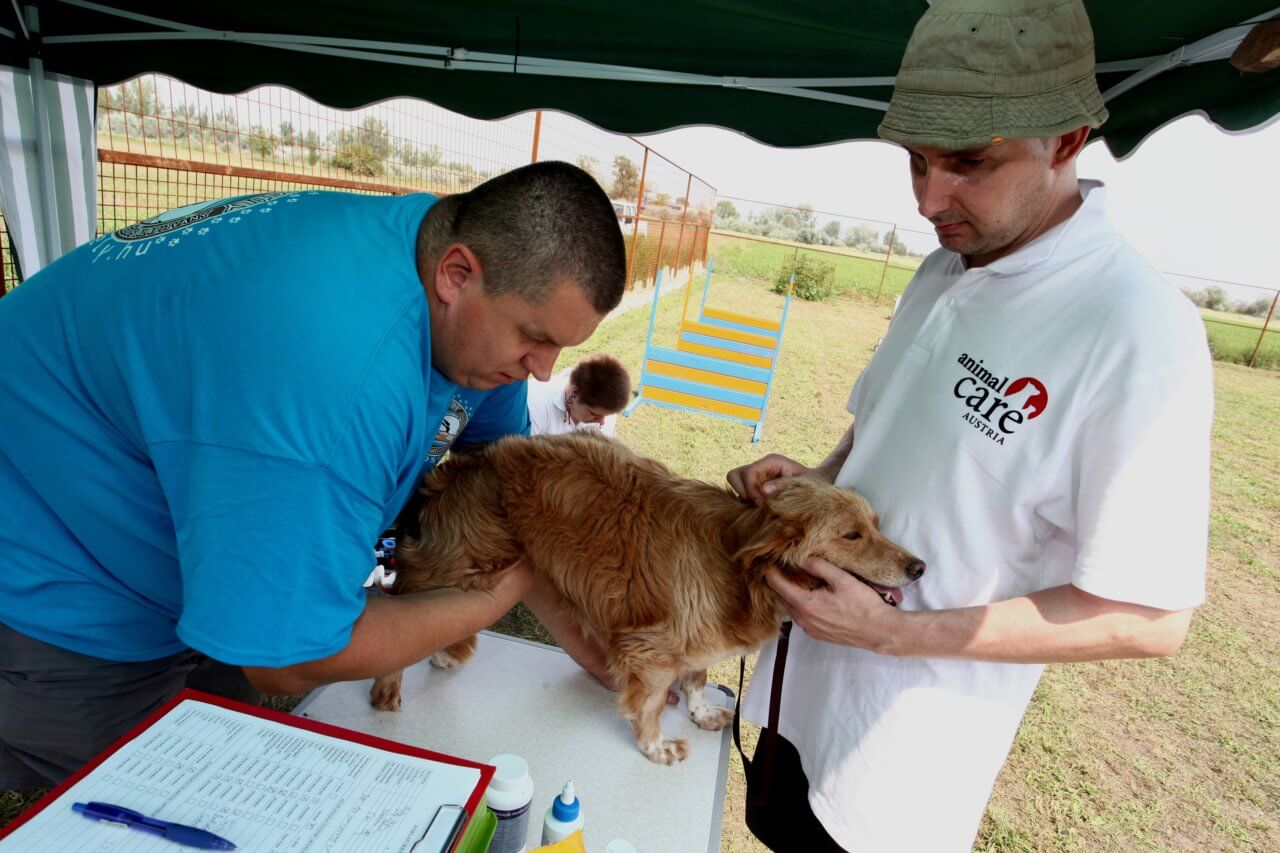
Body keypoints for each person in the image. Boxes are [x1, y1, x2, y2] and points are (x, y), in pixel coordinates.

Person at [725, 2, 1214, 850]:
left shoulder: (1138, 328)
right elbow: (880, 437)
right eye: (915, 162)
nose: (929, 199)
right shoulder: (941, 268)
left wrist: (894, 632)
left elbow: (1149, 616)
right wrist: (817, 485)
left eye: (967, 162)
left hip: (891, 769)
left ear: (1066, 140)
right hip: (794, 699)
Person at [0, 161, 627, 789]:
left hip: (206, 515)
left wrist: (593, 646)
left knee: (226, 751)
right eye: (534, 337)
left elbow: (510, 496)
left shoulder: (464, 313)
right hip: (56, 553)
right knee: (139, 795)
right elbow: (291, 658)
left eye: (559, 347)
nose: (544, 371)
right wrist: (490, 599)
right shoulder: (335, 380)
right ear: (456, 274)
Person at [527, 352, 631, 438]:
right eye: (594, 414)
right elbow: (520, 453)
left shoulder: (605, 408)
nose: (602, 422)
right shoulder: (536, 404)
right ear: (574, 393)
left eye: (606, 416)